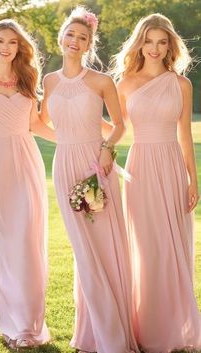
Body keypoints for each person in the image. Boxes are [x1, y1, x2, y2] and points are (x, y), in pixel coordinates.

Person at [40, 6, 139, 353]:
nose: (75, 41)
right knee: (83, 251)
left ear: (89, 45)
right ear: (61, 37)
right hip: (64, 166)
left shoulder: (101, 81)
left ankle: (113, 336)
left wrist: (106, 149)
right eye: (70, 34)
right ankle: (93, 333)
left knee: (104, 248)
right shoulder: (49, 81)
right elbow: (41, 125)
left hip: (96, 168)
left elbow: (120, 126)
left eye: (83, 38)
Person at [113, 13, 201, 352]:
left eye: (162, 42)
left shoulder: (181, 84)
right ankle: (148, 328)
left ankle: (175, 327)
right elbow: (117, 129)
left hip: (170, 166)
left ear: (170, 46)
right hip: (139, 169)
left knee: (173, 246)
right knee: (147, 248)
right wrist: (100, 150)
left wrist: (193, 180)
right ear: (140, 43)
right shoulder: (125, 84)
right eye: (148, 41)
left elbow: (185, 137)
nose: (154, 48)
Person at [0, 19, 53, 349]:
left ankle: (30, 327)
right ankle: (11, 324)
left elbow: (34, 124)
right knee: (9, 244)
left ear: (19, 47)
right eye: (0, 41)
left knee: (30, 241)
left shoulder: (27, 78)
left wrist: (75, 140)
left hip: (27, 161)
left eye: (13, 43)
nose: (6, 47)